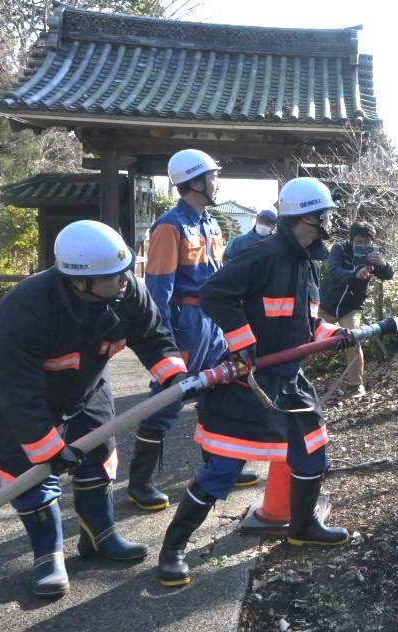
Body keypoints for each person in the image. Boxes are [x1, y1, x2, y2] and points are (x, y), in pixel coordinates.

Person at [157, 177, 354, 587]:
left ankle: (302, 528)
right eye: (326, 215)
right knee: (222, 469)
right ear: (310, 218)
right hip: (248, 385)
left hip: (289, 382)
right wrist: (243, 343)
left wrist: (327, 337)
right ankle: (173, 548)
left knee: (311, 453)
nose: (330, 221)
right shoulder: (263, 256)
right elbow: (214, 294)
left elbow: (304, 323)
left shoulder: (305, 263)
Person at [0, 220, 188, 597]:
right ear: (80, 281)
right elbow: (16, 388)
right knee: (34, 474)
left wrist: (172, 377)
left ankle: (100, 535)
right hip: (18, 404)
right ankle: (49, 555)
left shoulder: (126, 291)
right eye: (114, 277)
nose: (125, 280)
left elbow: (154, 337)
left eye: (126, 271)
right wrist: (47, 450)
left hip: (87, 390)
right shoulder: (25, 308)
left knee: (98, 459)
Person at [128, 148, 259, 511]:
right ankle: (139, 483)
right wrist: (165, 340)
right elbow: (158, 290)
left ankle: (215, 467)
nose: (217, 182)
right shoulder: (169, 226)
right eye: (213, 176)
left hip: (213, 323)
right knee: (168, 397)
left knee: (214, 393)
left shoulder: (211, 223)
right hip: (186, 325)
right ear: (196, 182)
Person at [318, 221, 394, 397]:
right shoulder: (340, 248)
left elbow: (388, 275)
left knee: (352, 336)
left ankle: (355, 385)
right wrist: (354, 274)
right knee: (309, 339)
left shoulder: (372, 256)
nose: (362, 244)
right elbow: (334, 272)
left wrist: (383, 264)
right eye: (359, 240)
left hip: (351, 307)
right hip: (326, 305)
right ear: (352, 240)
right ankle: (295, 376)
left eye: (367, 241)